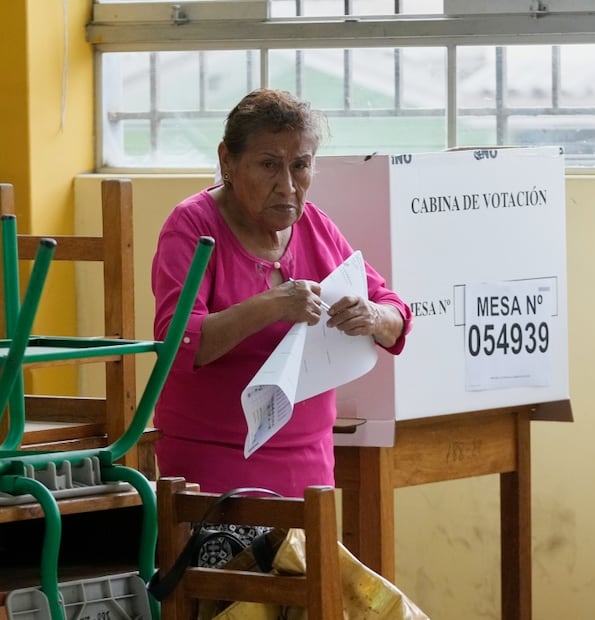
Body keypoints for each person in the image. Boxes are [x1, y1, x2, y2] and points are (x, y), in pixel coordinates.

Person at [151, 88, 413, 499]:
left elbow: (395, 313)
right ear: (227, 161)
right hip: (213, 460)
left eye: (301, 166)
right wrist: (273, 304)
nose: (287, 186)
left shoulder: (316, 227)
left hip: (309, 458)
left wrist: (372, 316)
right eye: (269, 165)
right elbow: (178, 342)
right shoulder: (192, 227)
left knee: (307, 545)